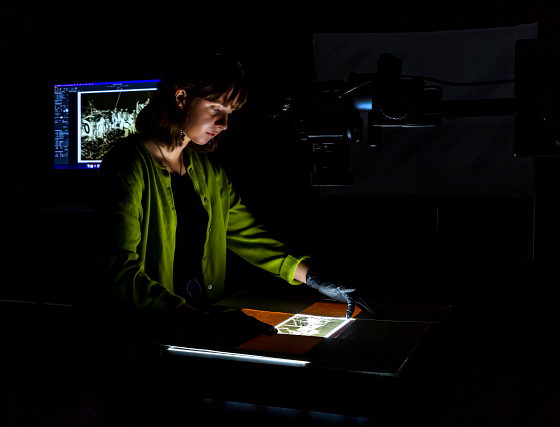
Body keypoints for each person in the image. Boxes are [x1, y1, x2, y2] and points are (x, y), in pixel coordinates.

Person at [94, 53, 373, 339]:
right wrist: (198, 320)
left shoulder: (206, 171)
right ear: (181, 98)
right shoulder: (127, 165)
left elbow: (246, 235)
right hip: (153, 335)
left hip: (202, 323)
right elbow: (117, 273)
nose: (224, 123)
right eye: (216, 108)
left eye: (230, 113)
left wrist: (313, 277)